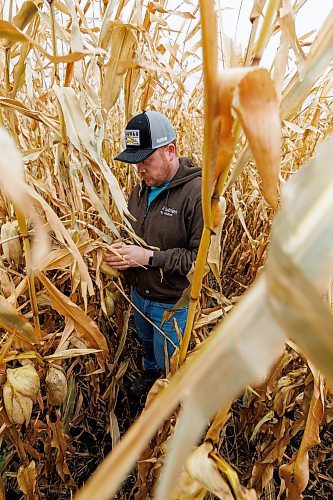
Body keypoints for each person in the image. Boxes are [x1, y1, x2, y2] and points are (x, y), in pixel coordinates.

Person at [104, 110, 203, 392]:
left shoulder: (197, 194)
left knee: (170, 369)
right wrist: (121, 248)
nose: (140, 170)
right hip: (140, 296)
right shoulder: (141, 188)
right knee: (149, 352)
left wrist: (147, 257)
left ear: (170, 151)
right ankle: (149, 377)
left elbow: (199, 260)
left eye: (145, 161)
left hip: (171, 304)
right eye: (136, 163)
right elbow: (134, 232)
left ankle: (164, 416)